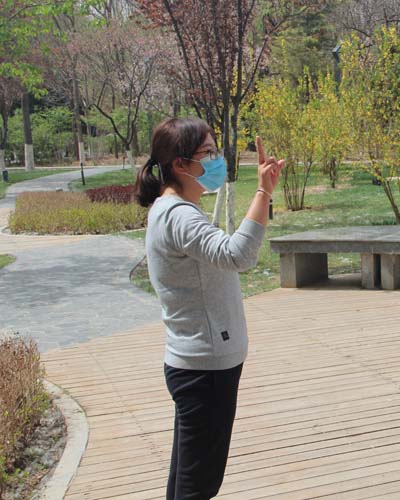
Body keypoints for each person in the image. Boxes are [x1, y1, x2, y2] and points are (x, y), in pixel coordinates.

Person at [134, 117, 283, 499]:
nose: (218, 160)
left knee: (188, 480)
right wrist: (262, 192)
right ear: (180, 164)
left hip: (197, 363)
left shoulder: (172, 208)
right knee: (197, 486)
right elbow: (238, 255)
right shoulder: (180, 215)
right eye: (209, 153)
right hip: (204, 369)